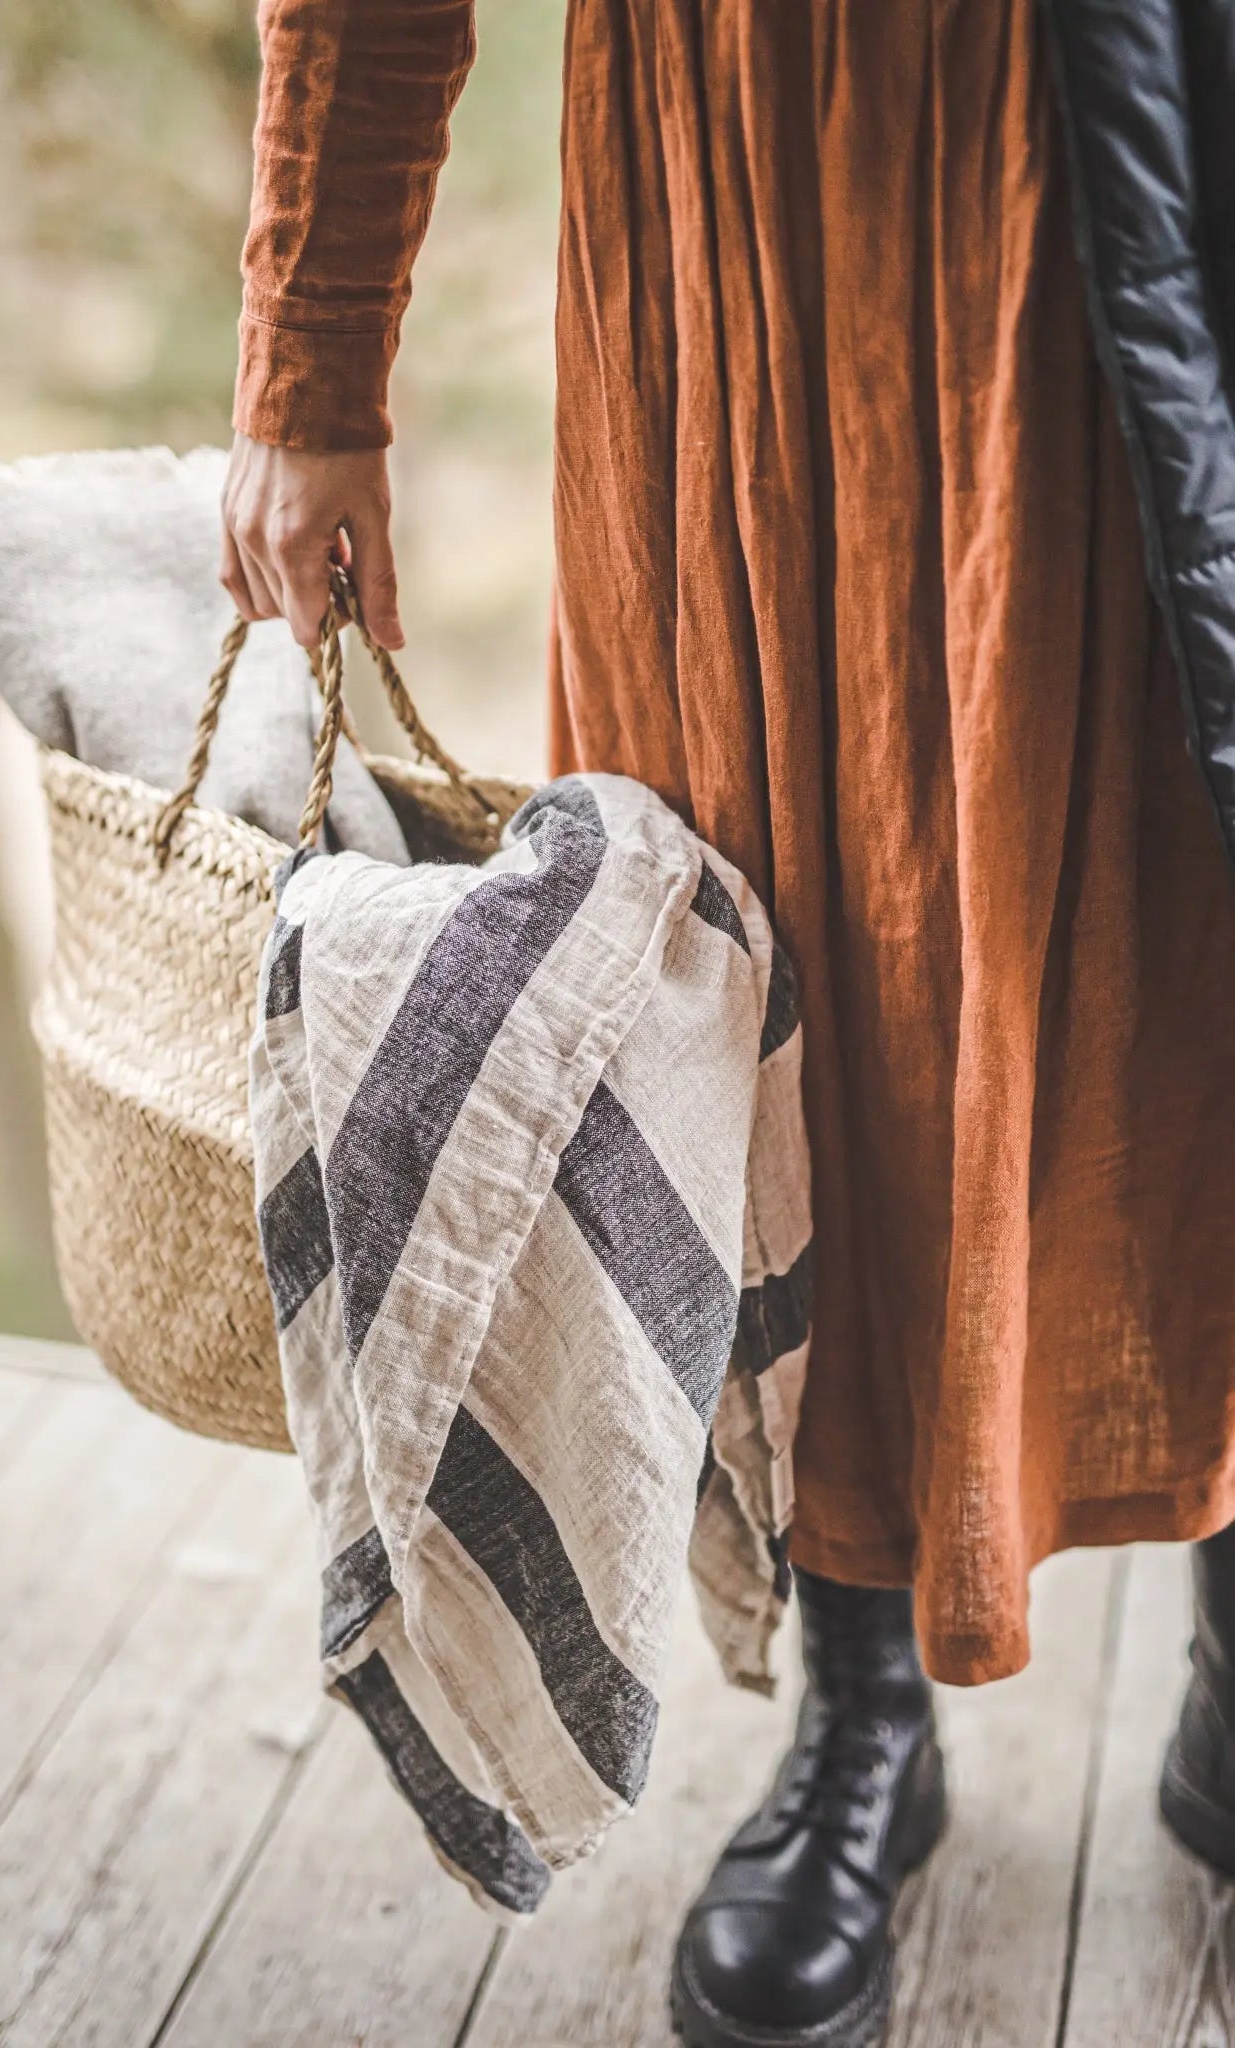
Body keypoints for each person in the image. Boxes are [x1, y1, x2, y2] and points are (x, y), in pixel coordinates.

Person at [220, 4, 1235, 2044]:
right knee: (789, 968)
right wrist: (312, 351)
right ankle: (857, 1712)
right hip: (742, 207)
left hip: (1150, 131)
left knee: (1185, 917)